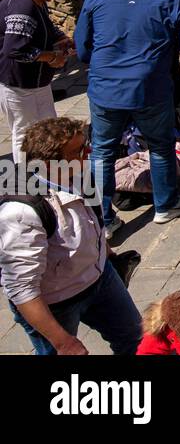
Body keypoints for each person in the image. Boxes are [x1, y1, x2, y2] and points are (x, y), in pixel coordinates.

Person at [74, 0, 180, 236]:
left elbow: (82, 45)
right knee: (160, 145)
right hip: (150, 87)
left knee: (102, 152)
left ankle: (102, 219)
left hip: (105, 87)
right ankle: (165, 205)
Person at [0, 116, 141, 355]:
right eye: (78, 151)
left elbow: (91, 219)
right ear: (48, 164)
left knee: (137, 340)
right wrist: (63, 342)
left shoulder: (79, 174)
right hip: (56, 303)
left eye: (85, 146)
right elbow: (21, 288)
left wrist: (106, 253)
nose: (89, 153)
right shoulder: (21, 213)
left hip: (101, 279)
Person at [1, 0, 78, 171]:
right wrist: (53, 58)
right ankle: (27, 181)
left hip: (36, 82)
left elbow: (46, 27)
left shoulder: (35, 0)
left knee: (48, 129)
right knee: (25, 135)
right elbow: (15, 49)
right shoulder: (22, 7)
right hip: (18, 84)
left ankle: (49, 174)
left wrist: (62, 38)